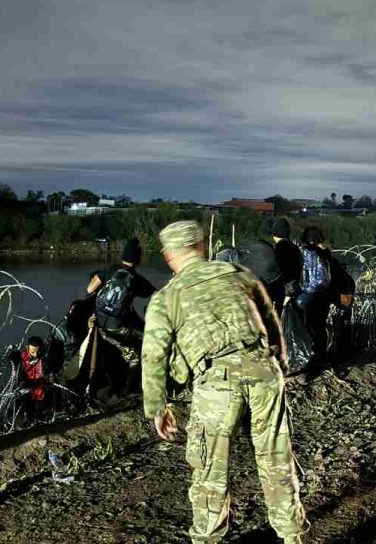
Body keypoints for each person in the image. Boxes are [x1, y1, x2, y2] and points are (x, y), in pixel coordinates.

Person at [142, 220, 306, 544]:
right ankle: (291, 536)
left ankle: (208, 538)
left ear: (169, 255)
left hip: (217, 382)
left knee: (209, 470)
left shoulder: (167, 297)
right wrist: (280, 364)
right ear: (202, 246)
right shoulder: (239, 274)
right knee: (276, 461)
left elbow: (153, 357)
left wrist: (157, 408)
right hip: (263, 371)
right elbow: (272, 323)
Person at [87, 237, 156, 397]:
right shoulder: (137, 279)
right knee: (138, 352)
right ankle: (128, 390)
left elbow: (90, 289)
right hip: (117, 327)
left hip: (98, 321)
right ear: (138, 259)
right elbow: (155, 294)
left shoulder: (110, 270)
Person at [296, 226, 331, 368]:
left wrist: (304, 295)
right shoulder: (325, 253)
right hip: (322, 297)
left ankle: (309, 358)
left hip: (309, 297)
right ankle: (320, 357)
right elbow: (324, 279)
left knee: (309, 328)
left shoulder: (306, 253)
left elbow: (316, 278)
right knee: (319, 328)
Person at [14, 336, 54, 421]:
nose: (35, 355)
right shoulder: (21, 358)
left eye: (38, 352)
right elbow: (17, 376)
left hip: (41, 393)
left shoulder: (45, 358)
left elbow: (50, 374)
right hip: (27, 393)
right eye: (32, 352)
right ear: (27, 348)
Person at [271, 217, 303, 316]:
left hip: (281, 292)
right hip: (295, 290)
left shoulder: (276, 250)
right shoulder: (295, 249)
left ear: (274, 235)